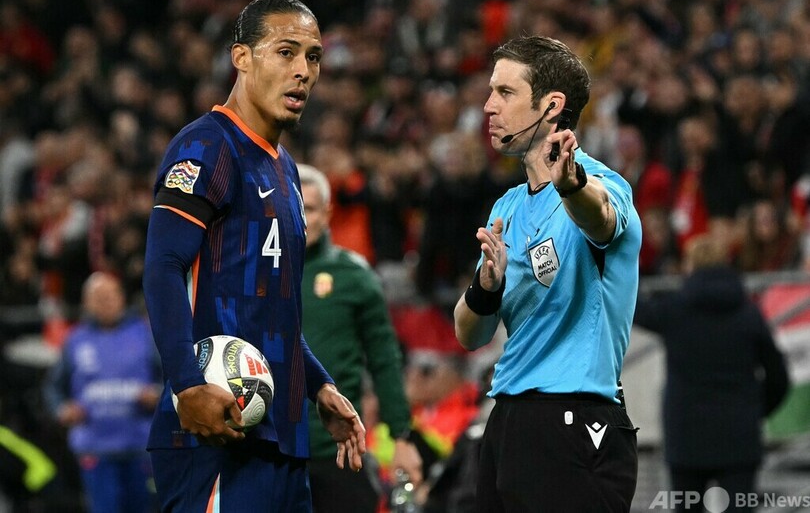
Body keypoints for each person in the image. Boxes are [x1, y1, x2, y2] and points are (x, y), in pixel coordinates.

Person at [142, 0, 366, 513]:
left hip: (281, 438)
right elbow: (163, 267)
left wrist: (319, 386)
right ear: (241, 57)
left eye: (313, 57)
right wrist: (187, 386)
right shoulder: (207, 146)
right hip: (214, 432)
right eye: (286, 52)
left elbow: (273, 310)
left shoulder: (286, 170)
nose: (303, 71)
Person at [453, 35, 642, 512]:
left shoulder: (605, 184)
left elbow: (600, 218)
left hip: (575, 417)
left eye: (505, 92)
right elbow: (469, 334)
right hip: (506, 418)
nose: (488, 106)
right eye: (491, 92)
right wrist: (485, 288)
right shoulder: (507, 206)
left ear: (551, 105)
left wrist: (572, 185)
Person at [634, 235, 790, 513]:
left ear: (690, 266)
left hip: (686, 437)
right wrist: (756, 409)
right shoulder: (748, 313)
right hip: (739, 437)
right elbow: (778, 376)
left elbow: (633, 308)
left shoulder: (674, 309)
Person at [297, 163, 422, 513]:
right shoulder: (259, 274)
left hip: (337, 449)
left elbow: (385, 360)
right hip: (272, 449)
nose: (302, 219)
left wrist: (401, 435)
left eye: (310, 209)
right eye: (295, 208)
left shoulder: (354, 277)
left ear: (328, 213)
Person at [44, 272, 161, 513]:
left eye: (110, 296)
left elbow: (169, 377)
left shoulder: (145, 334)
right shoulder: (75, 340)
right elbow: (53, 386)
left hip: (140, 445)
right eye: (98, 298)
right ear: (86, 303)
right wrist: (62, 409)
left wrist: (158, 394)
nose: (105, 302)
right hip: (95, 447)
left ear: (121, 298)